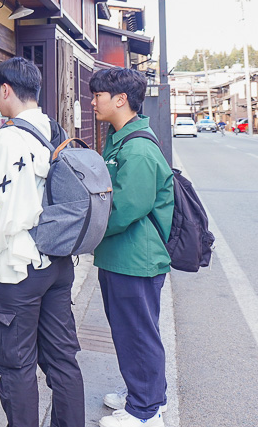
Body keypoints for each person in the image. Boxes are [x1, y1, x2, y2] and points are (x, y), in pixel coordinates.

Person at [0, 57, 84, 427]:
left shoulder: (8, 138)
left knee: (16, 366)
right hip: (56, 262)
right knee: (62, 359)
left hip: (16, 268)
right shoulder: (53, 129)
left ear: (5, 90)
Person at [89, 68, 175, 427]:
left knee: (138, 334)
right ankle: (145, 395)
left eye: (98, 95)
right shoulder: (121, 138)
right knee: (131, 331)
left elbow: (125, 207)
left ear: (120, 99)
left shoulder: (137, 148)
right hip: (123, 256)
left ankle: (145, 412)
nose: (92, 101)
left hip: (134, 258)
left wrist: (83, 232)